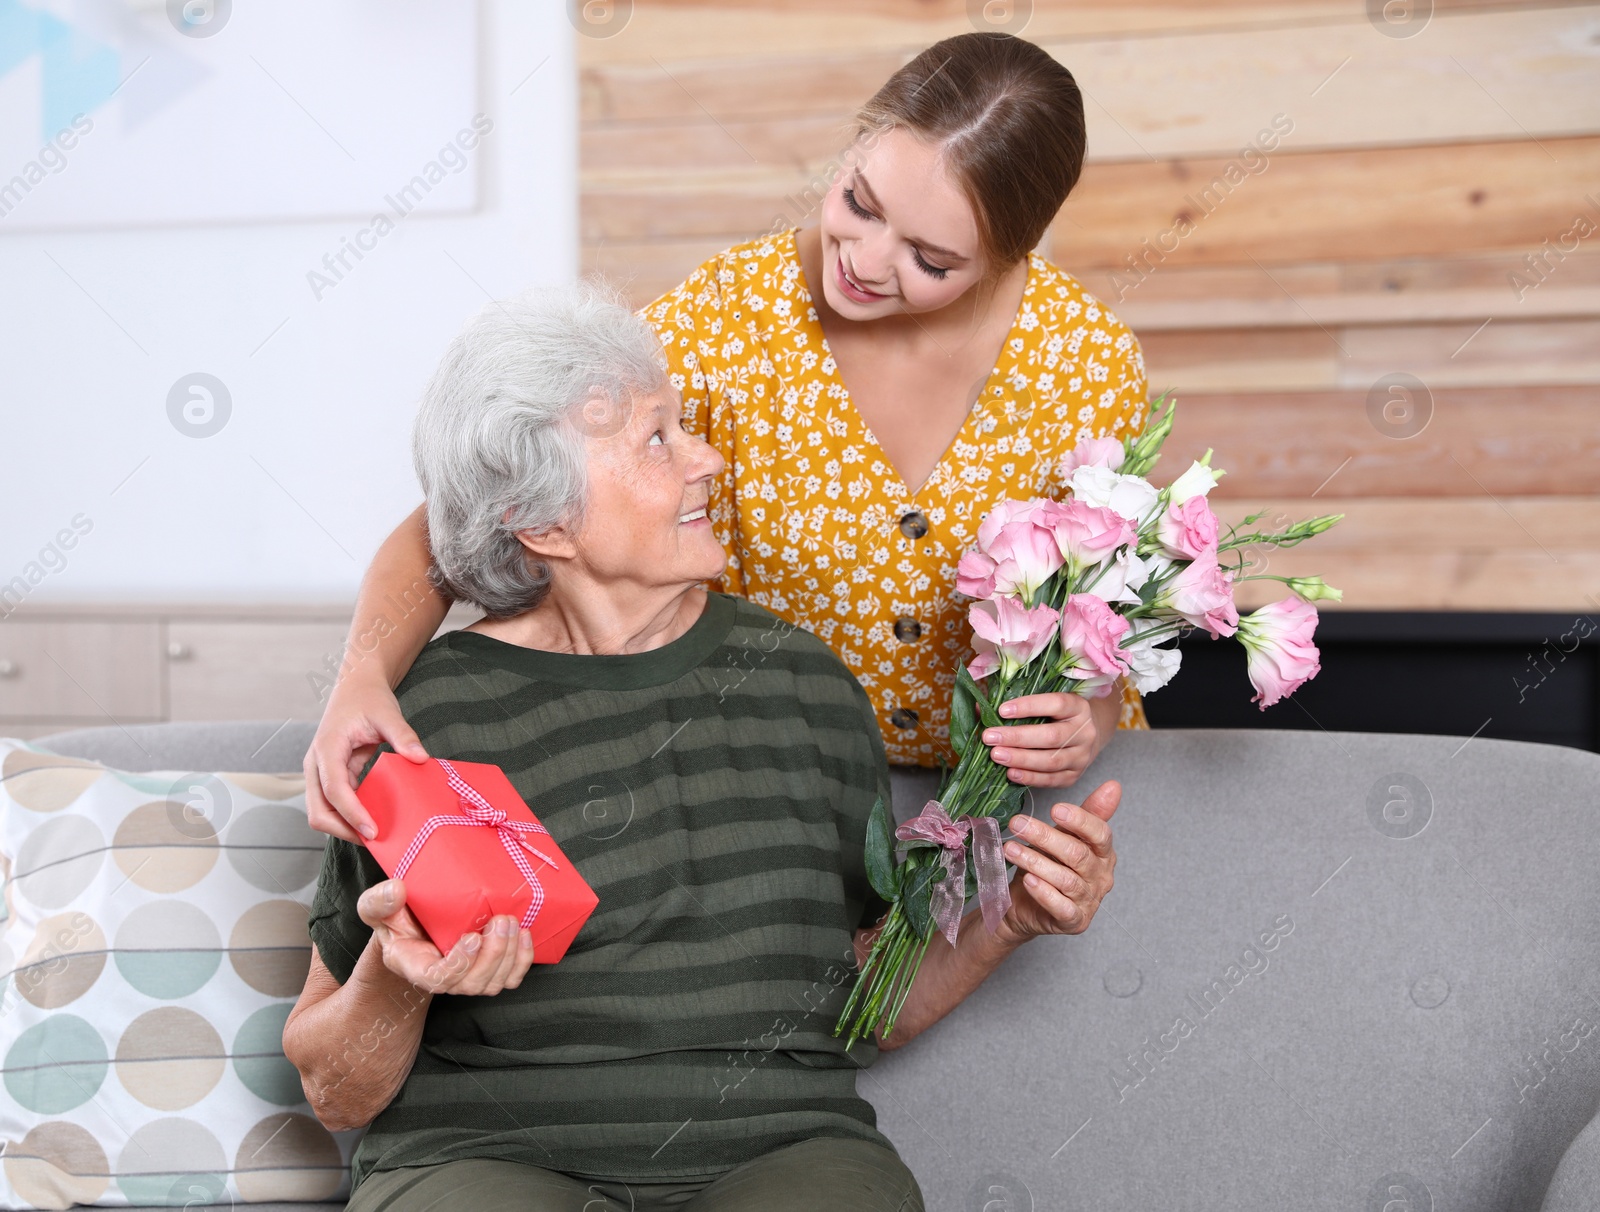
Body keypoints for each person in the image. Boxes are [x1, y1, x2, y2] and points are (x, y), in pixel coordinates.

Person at [283, 283, 1121, 1212]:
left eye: (684, 426)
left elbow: (861, 1003)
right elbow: (333, 1087)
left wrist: (1009, 921)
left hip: (780, 1154)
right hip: (486, 1158)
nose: (709, 460)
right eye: (658, 440)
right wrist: (397, 979)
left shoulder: (804, 686)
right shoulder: (423, 716)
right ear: (548, 524)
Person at [302, 31, 1151, 847]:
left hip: (1027, 807)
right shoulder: (720, 327)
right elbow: (486, 510)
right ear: (855, 144)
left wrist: (1096, 714)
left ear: (1011, 255)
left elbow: (1110, 609)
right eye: (858, 201)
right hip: (780, 800)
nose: (863, 258)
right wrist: (361, 679)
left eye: (930, 259)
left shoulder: (1087, 363)